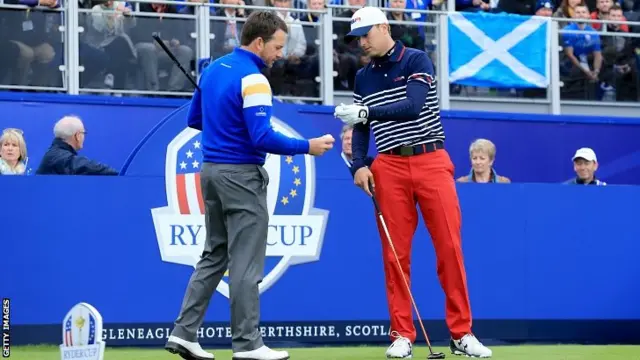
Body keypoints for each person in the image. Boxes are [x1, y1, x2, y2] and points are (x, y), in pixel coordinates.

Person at [164, 10, 335, 360]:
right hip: (241, 176)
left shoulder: (213, 70)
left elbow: (195, 120)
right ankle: (247, 344)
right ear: (258, 42)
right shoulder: (255, 80)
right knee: (245, 263)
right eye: (276, 46)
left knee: (214, 255)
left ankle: (184, 333)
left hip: (210, 172)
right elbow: (261, 137)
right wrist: (308, 146)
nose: (280, 54)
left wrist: (224, 119)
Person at [333, 7, 492, 359]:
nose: (361, 42)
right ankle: (401, 334)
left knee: (449, 248)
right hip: (388, 163)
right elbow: (361, 128)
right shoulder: (363, 77)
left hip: (431, 159)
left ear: (384, 27)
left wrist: (366, 113)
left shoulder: (416, 59)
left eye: (365, 35)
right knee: (395, 254)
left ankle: (461, 332)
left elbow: (415, 106)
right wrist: (359, 163)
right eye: (356, 38)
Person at [36, 116, 118, 176]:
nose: (84, 137)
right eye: (83, 133)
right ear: (77, 136)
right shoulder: (59, 157)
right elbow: (84, 166)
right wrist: (117, 174)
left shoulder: (55, 153)